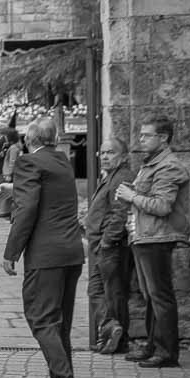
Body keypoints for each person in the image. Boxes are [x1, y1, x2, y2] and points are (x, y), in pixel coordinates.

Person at [2, 117, 85, 378]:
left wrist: (12, 251)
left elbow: (26, 210)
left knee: (40, 318)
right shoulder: (62, 162)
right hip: (71, 252)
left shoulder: (29, 163)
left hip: (46, 255)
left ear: (29, 139)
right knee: (59, 324)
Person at [117, 115, 190, 369]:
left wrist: (132, 195)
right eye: (141, 134)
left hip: (158, 236)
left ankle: (167, 351)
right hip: (145, 235)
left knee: (160, 295)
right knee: (151, 295)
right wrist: (133, 195)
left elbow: (162, 206)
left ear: (163, 138)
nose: (141, 139)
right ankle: (152, 345)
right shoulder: (152, 163)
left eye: (147, 135)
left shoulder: (168, 166)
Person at [84, 137, 134, 353]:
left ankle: (119, 338)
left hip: (111, 246)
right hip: (100, 244)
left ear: (123, 156)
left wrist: (107, 240)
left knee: (113, 292)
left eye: (110, 152)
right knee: (96, 289)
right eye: (102, 153)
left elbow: (120, 212)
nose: (104, 157)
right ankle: (110, 328)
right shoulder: (110, 177)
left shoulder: (121, 177)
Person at [0, 128, 22, 218]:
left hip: (9, 174)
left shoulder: (13, 148)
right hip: (8, 173)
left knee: (4, 193)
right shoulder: (12, 147)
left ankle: (5, 210)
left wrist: (9, 174)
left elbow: (12, 162)